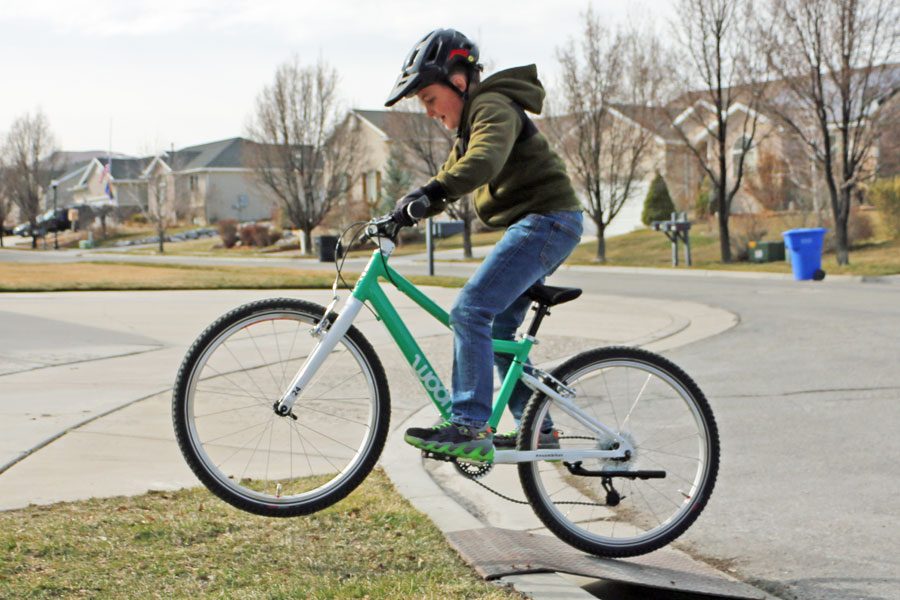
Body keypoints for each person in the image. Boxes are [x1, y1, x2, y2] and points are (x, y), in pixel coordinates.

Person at [385, 29, 583, 463]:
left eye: (429, 98)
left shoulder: (492, 106)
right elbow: (446, 180)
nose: (429, 112)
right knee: (496, 332)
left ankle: (469, 425)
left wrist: (430, 193)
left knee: (470, 310)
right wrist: (401, 212)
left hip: (547, 222)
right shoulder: (471, 125)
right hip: (545, 223)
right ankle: (538, 429)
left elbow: (483, 162)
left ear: (458, 81)